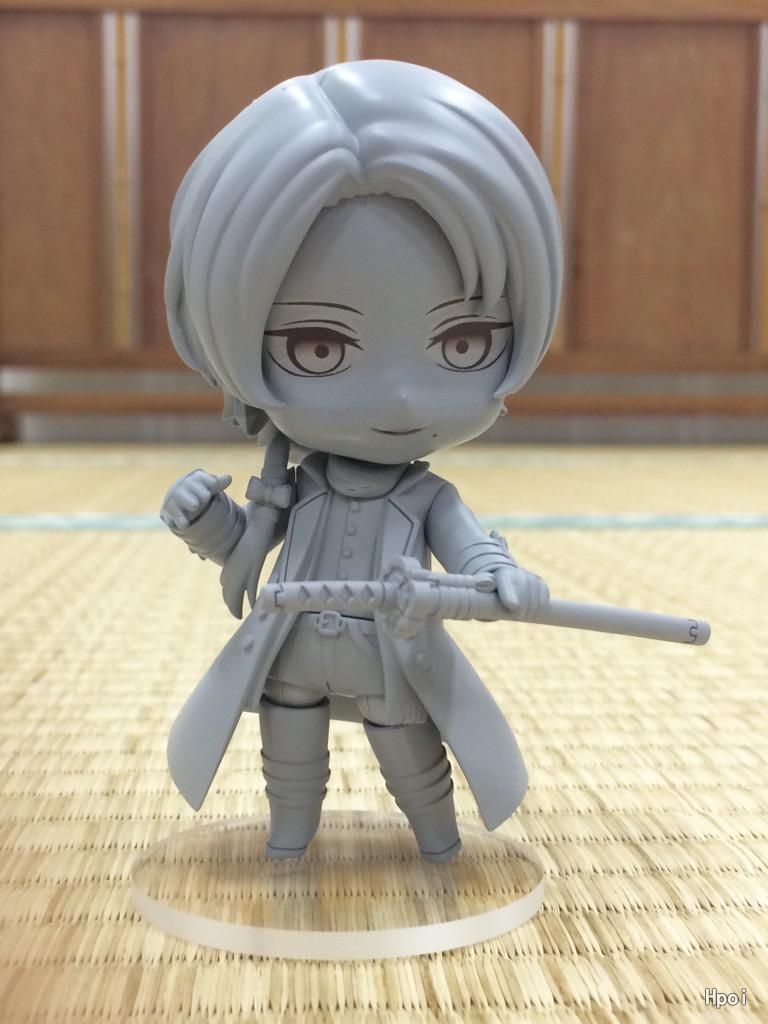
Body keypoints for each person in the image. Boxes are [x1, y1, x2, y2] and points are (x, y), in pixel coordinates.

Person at [160, 60, 563, 861]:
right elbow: (247, 549)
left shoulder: (426, 497)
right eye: (318, 348)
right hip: (292, 646)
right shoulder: (291, 485)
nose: (403, 398)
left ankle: (438, 842)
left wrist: (501, 579)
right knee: (289, 756)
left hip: (393, 650)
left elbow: (474, 551)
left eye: (464, 344)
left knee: (411, 754)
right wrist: (207, 522)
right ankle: (288, 841)